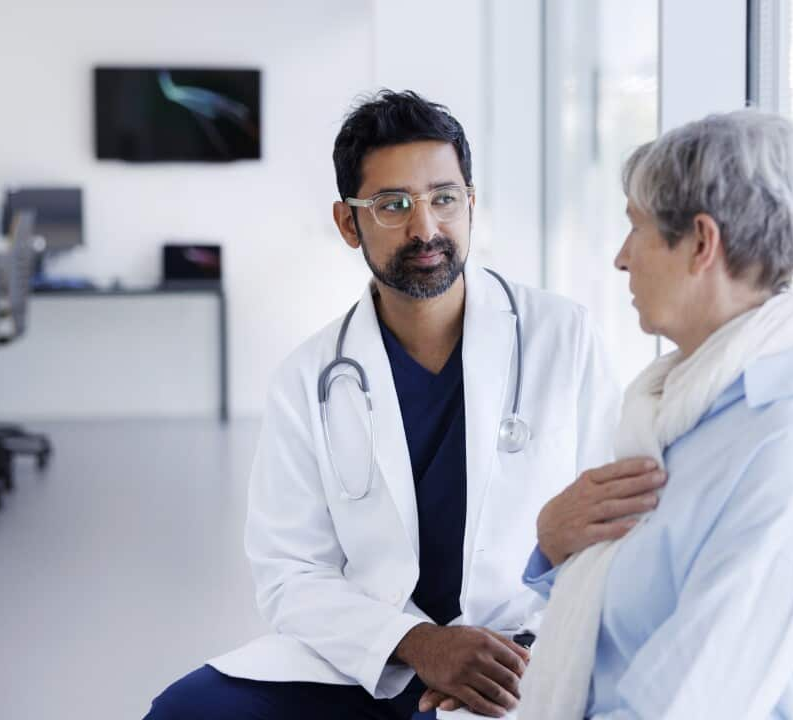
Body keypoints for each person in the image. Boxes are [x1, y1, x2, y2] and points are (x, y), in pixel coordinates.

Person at [145, 90, 661, 719]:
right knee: (184, 712)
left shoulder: (562, 337)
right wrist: (421, 644)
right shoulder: (308, 378)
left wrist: (531, 643)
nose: (425, 228)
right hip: (375, 656)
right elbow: (289, 574)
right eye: (393, 205)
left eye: (444, 199)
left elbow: (613, 532)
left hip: (522, 656)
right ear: (347, 223)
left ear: (470, 205)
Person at [518, 109, 793, 719]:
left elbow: (683, 704)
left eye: (635, 228)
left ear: (700, 243)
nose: (620, 258)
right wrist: (554, 548)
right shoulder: (682, 417)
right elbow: (631, 629)